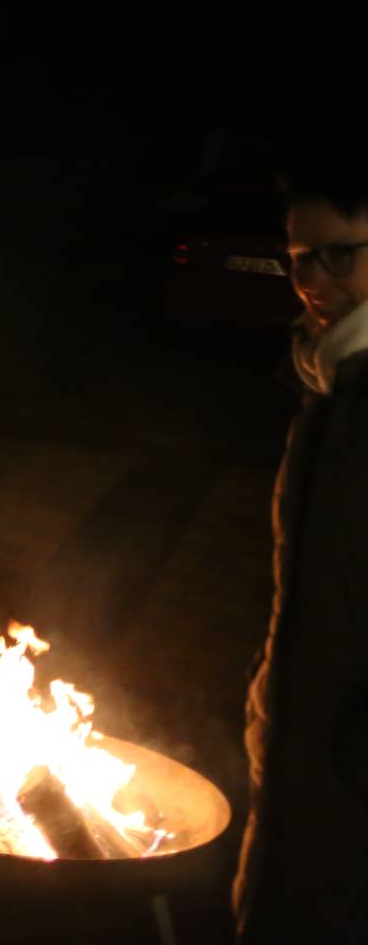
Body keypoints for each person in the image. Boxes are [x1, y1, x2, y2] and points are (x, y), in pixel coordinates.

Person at [236, 148, 368, 941]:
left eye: (340, 254)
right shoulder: (331, 381)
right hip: (308, 762)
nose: (312, 278)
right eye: (297, 258)